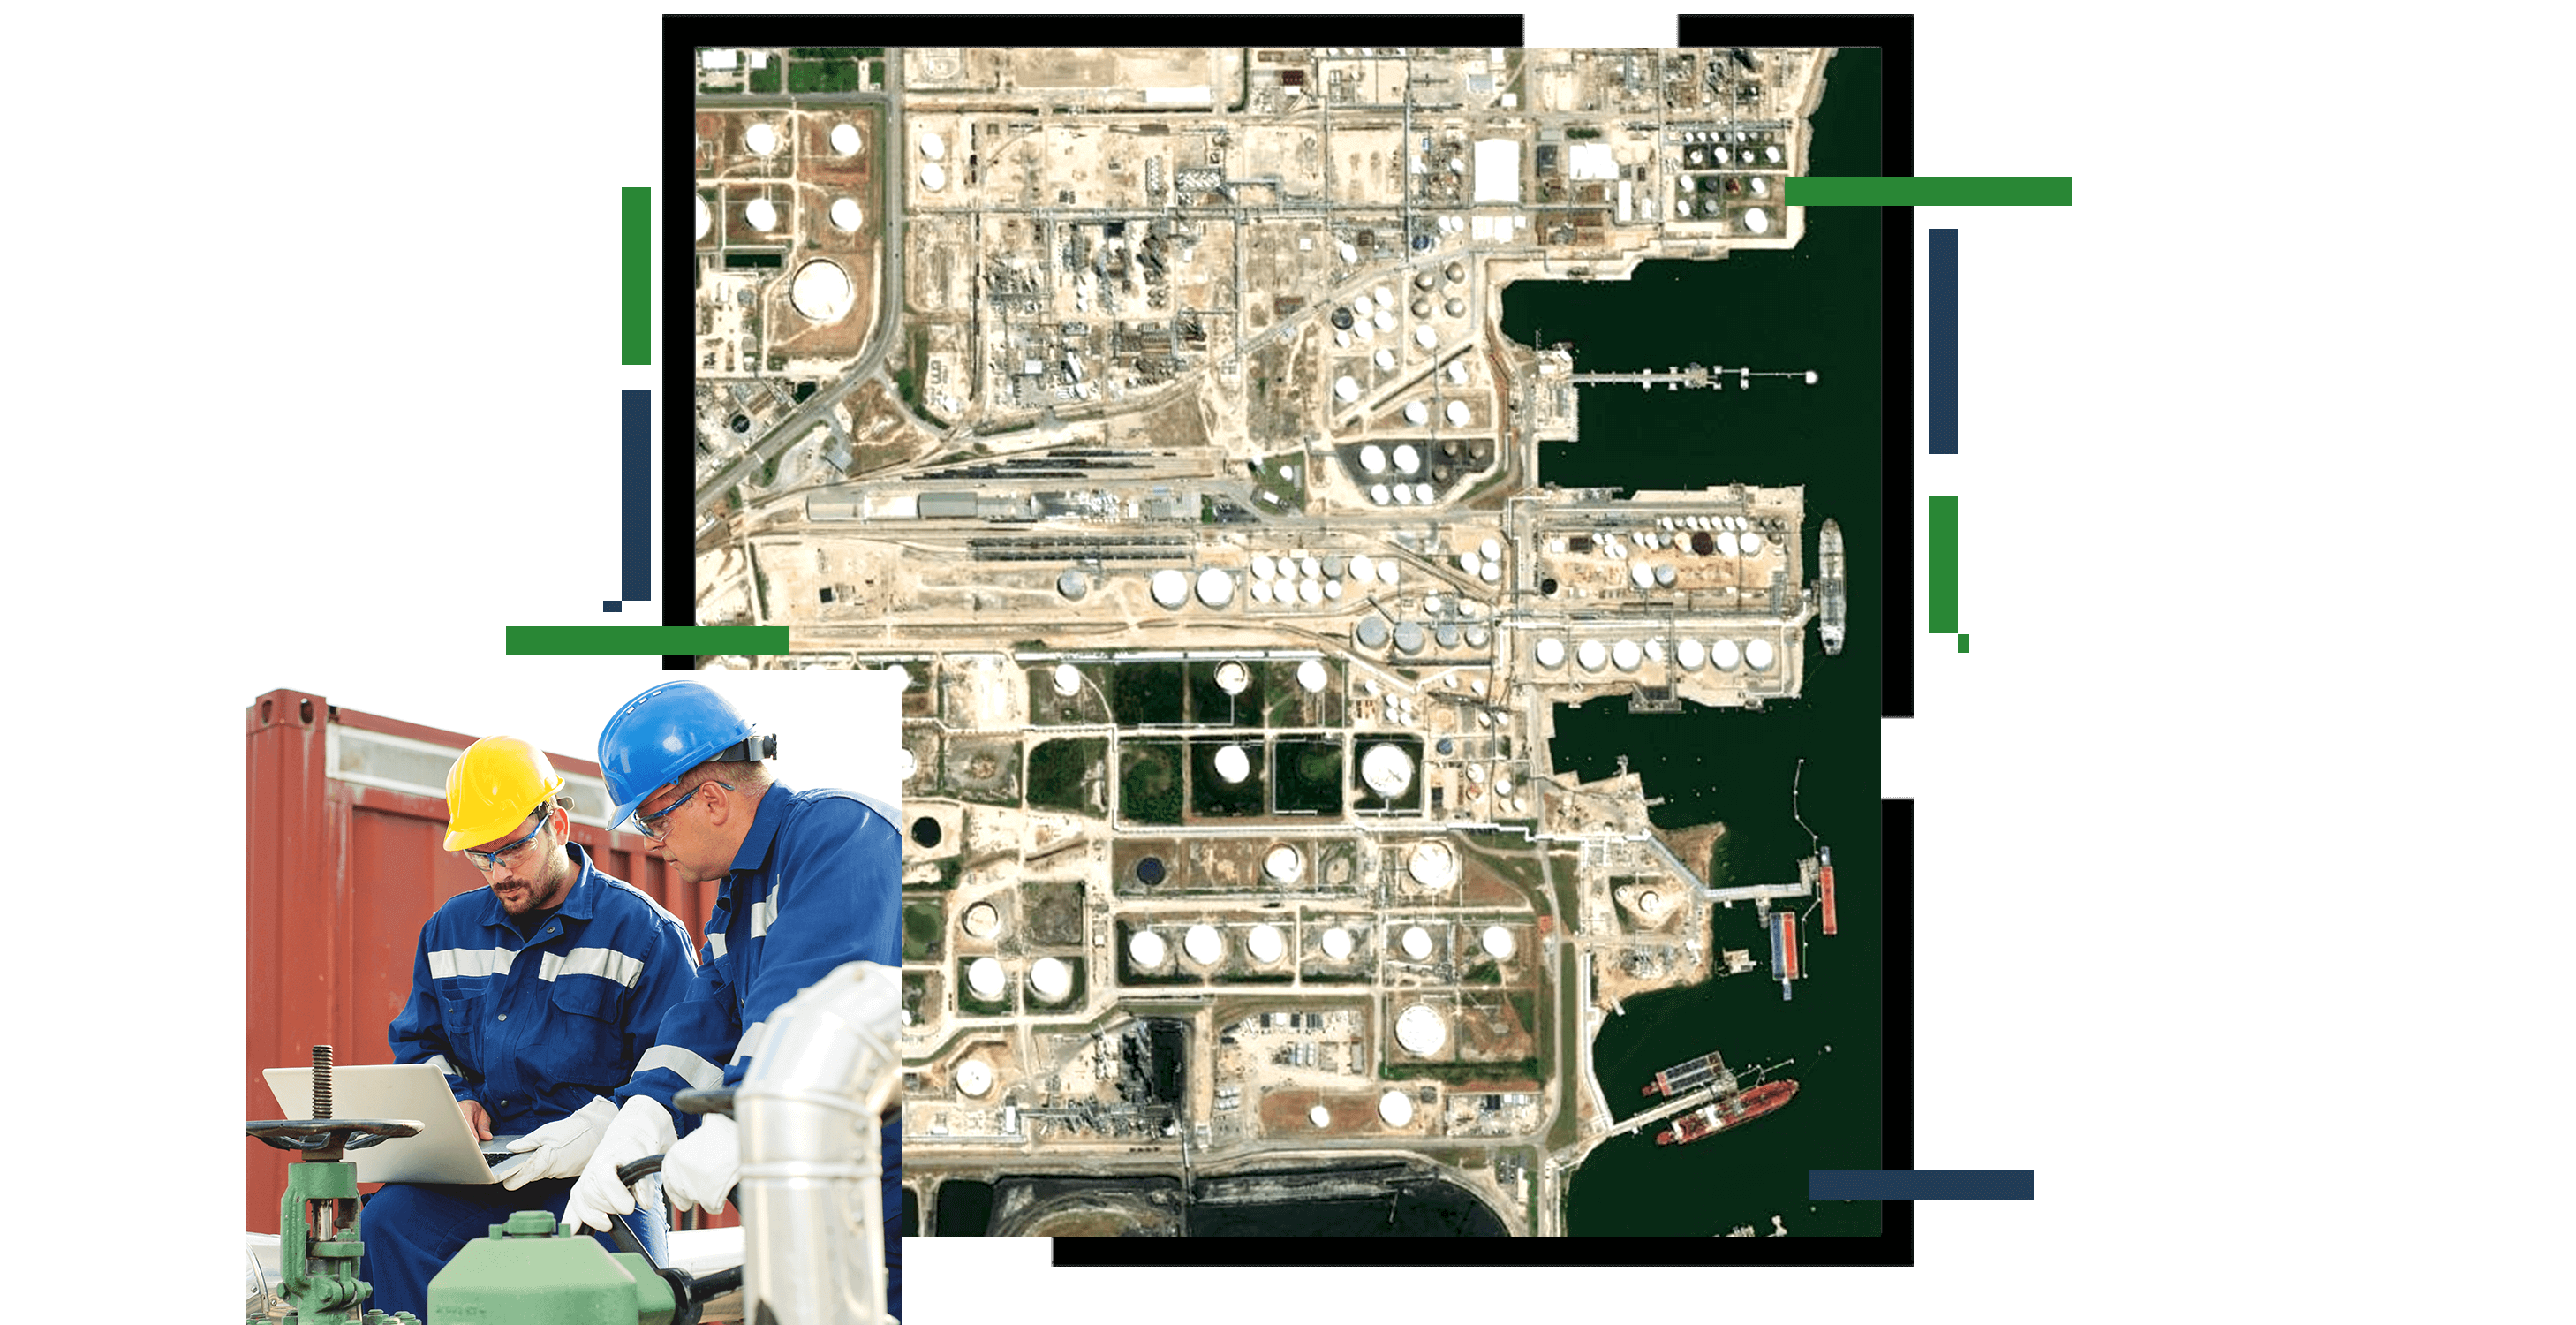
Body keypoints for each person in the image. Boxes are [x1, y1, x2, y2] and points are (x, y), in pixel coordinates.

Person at [564, 681, 902, 1320]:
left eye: (652, 819)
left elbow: (815, 1007)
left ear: (712, 800)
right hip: (832, 1185)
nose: (650, 843)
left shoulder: (840, 837)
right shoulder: (742, 895)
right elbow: (702, 1025)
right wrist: (637, 1121)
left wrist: (743, 1124)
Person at [366, 736, 701, 1320]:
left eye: (513, 849)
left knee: (615, 1299)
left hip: (601, 1178)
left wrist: (601, 1131)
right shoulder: (449, 930)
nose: (499, 872)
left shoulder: (644, 934)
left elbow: (684, 1074)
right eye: (479, 855)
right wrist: (457, 1099)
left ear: (559, 826)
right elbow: (421, 1044)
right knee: (386, 1225)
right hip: (482, 1175)